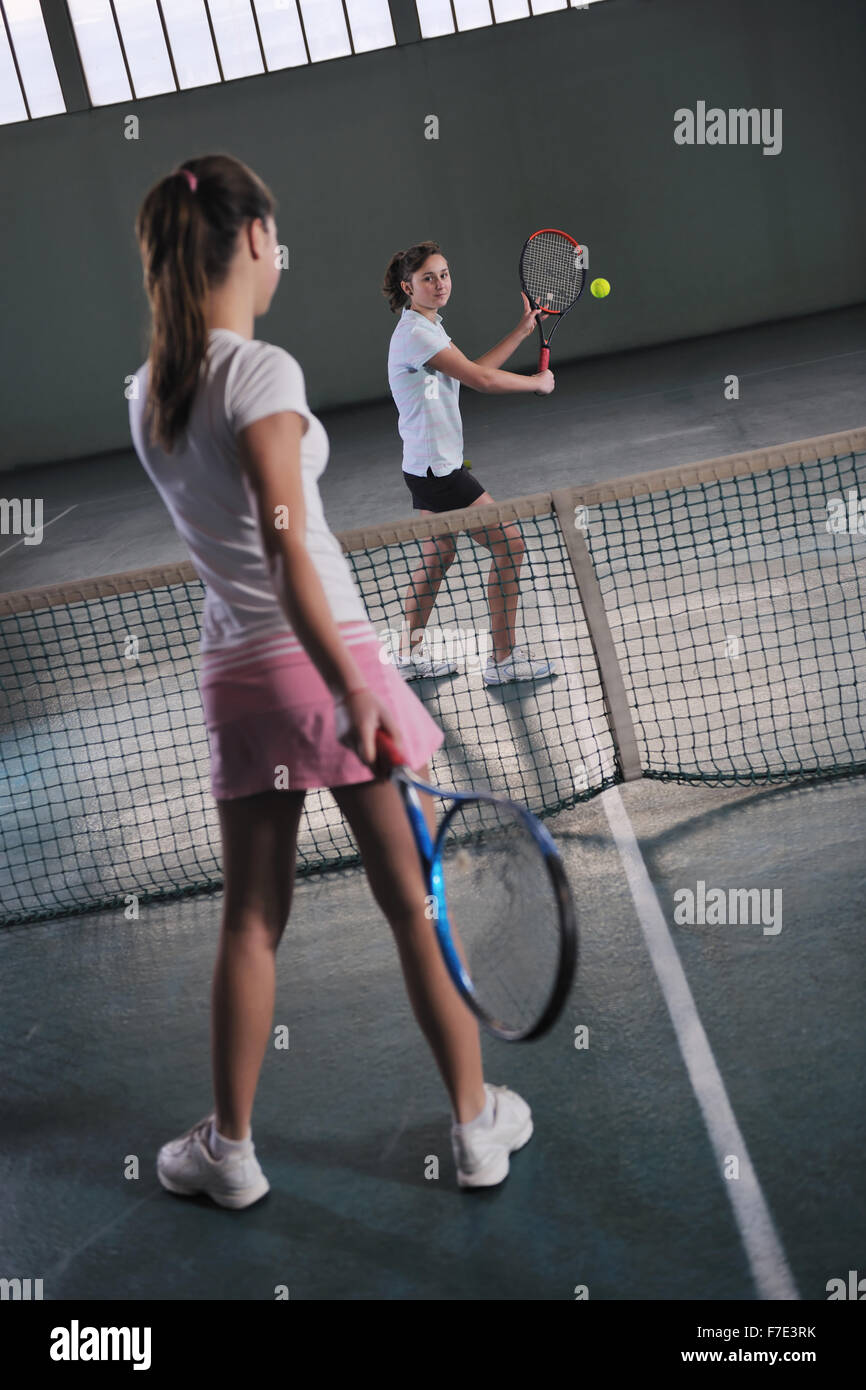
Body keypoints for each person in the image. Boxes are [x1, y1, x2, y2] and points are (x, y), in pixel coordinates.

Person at [128, 154, 532, 1209]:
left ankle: (229, 1152)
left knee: (250, 920)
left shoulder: (150, 392)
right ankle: (475, 1126)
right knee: (412, 902)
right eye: (275, 232)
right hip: (326, 659)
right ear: (254, 240)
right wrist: (351, 686)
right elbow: (283, 543)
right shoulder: (259, 374)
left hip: (236, 677)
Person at [384, 241, 559, 685]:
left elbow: (469, 370)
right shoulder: (417, 334)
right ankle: (502, 659)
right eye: (428, 278)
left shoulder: (426, 326)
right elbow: (481, 379)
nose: (440, 283)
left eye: (444, 274)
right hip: (441, 472)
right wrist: (535, 383)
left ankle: (407, 655)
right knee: (510, 546)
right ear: (408, 287)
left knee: (437, 557)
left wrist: (521, 332)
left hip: (422, 467)